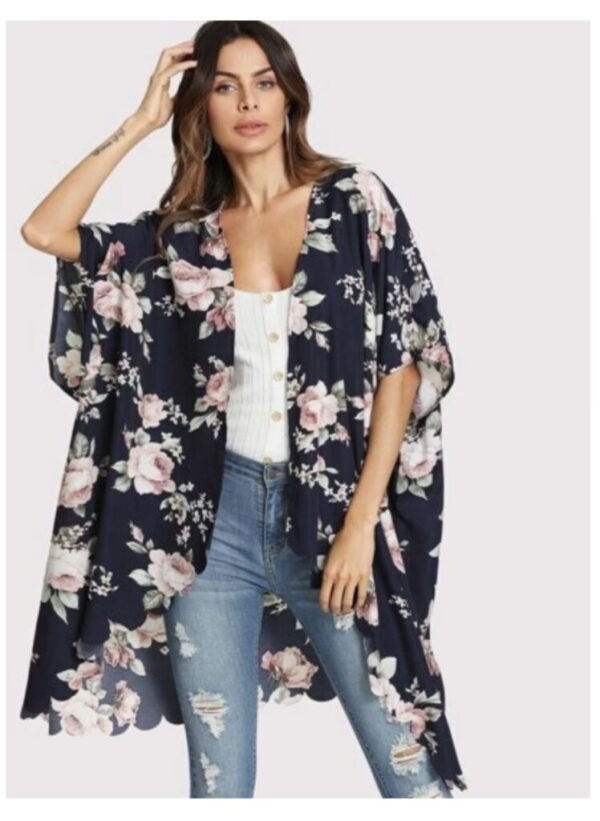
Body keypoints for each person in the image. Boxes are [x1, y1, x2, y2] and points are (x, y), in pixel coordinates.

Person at [20, 21, 465, 798]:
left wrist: (361, 523)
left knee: (409, 765)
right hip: (210, 535)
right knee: (217, 784)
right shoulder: (181, 239)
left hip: (332, 516)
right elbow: (44, 230)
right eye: (224, 87)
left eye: (263, 82)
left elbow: (400, 362)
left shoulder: (355, 200)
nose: (248, 102)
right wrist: (140, 120)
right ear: (201, 106)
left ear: (290, 96)